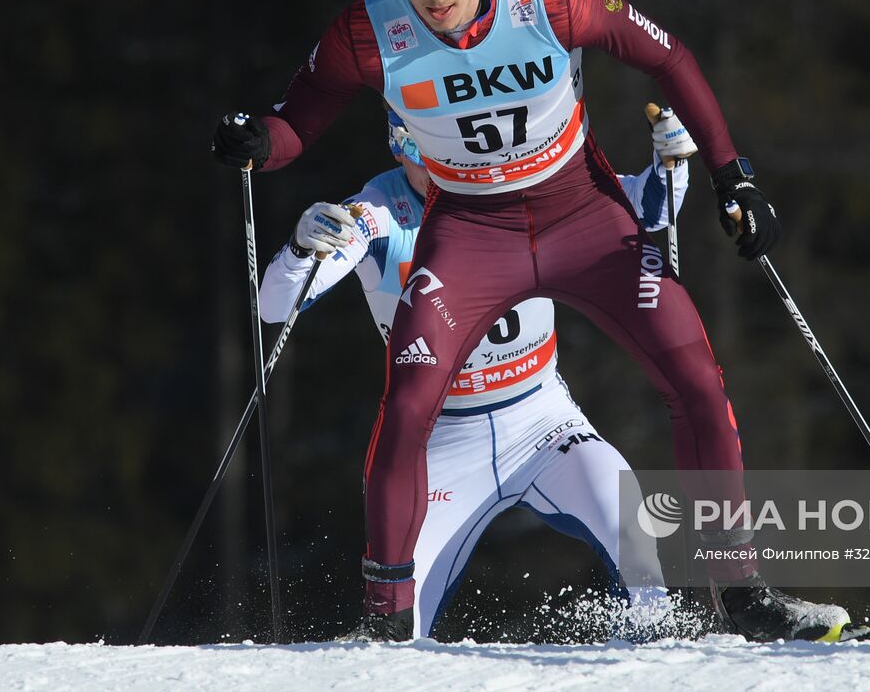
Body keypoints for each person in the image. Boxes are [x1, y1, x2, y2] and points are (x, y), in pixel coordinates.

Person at [212, 0, 851, 643]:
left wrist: (733, 178)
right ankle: (384, 621)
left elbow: (669, 58)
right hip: (473, 232)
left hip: (583, 214)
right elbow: (294, 125)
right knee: (408, 404)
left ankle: (745, 596)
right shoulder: (367, 29)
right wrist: (256, 142)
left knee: (695, 378)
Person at [258, 110, 690, 639]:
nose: (444, 173)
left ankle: (662, 658)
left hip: (541, 420)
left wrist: (671, 161)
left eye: (453, 154)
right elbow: (275, 307)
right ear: (400, 148)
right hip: (442, 441)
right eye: (427, 157)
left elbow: (645, 206)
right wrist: (302, 248)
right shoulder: (378, 213)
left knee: (633, 527)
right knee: (395, 629)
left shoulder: (521, 180)